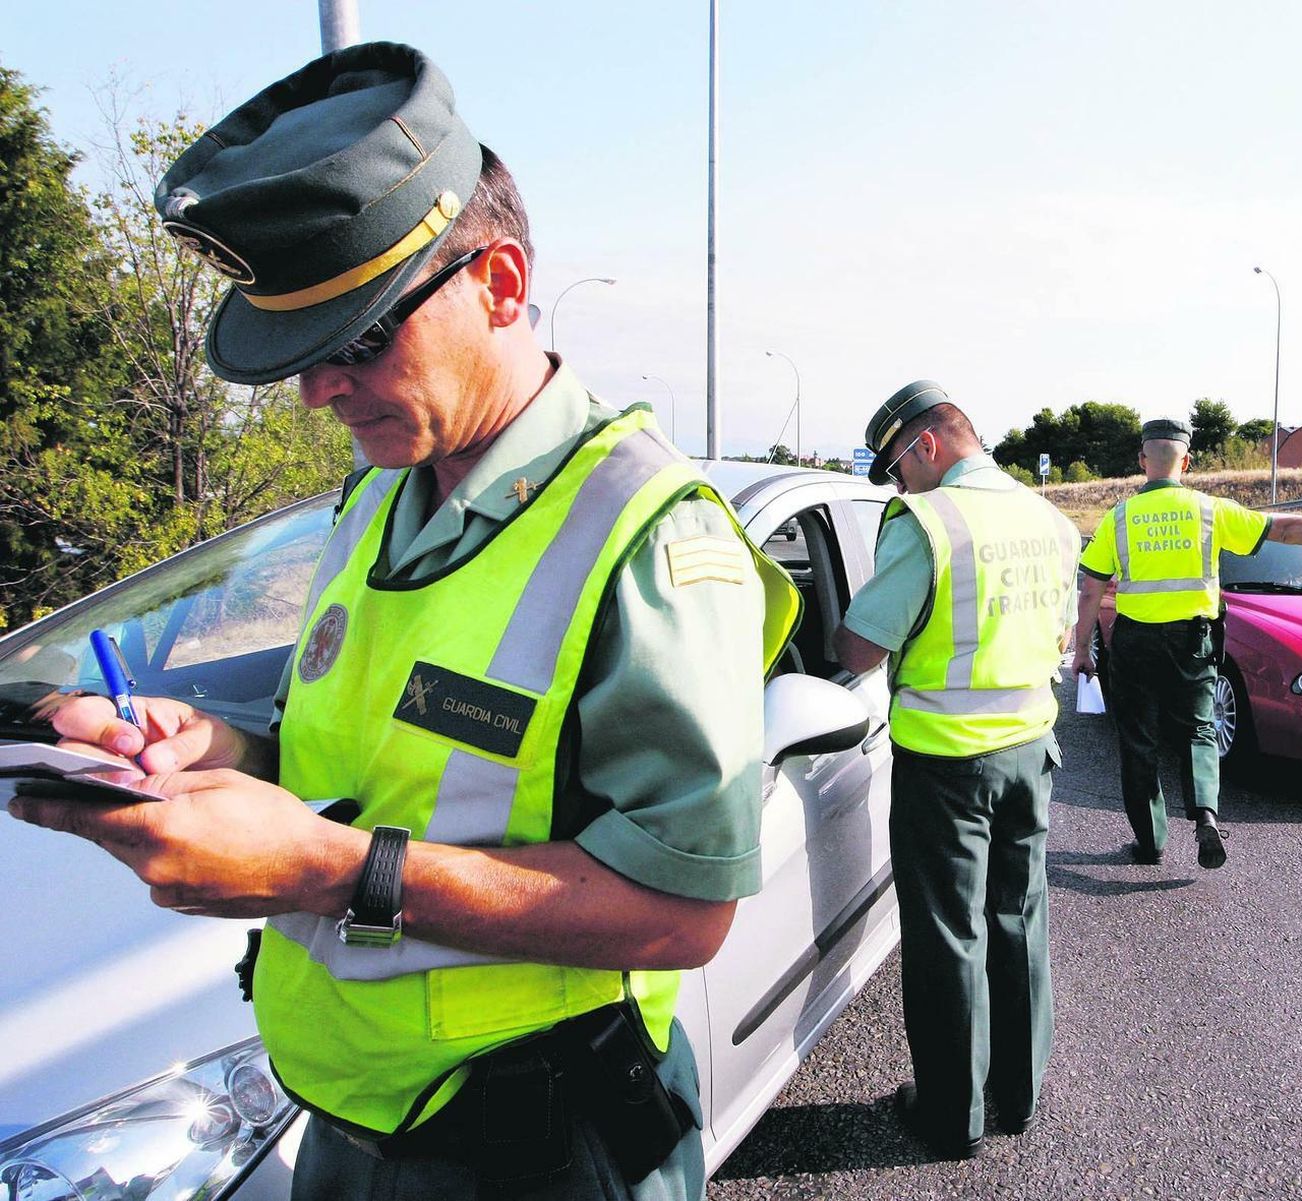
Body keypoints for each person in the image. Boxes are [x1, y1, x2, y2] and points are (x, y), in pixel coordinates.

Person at [7, 42, 798, 1201]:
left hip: (540, 1143)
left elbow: (685, 914)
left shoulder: (651, 540)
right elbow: (356, 747)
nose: (320, 392)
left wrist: (332, 870)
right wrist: (203, 747)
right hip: (344, 1115)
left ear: (502, 285)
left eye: (361, 339)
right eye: (303, 356)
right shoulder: (380, 493)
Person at [832, 381, 1081, 1159]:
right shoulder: (1048, 517)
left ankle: (950, 1113)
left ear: (927, 445)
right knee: (1019, 916)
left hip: (947, 763)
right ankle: (1019, 1093)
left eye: (898, 467)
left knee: (948, 938)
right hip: (1030, 752)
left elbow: (860, 646)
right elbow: (1063, 633)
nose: (900, 484)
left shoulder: (931, 521)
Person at [1070, 418, 1302, 870]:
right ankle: (1205, 815)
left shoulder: (1120, 517)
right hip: (1193, 641)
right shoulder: (1210, 510)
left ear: (1142, 460)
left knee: (1138, 740)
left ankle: (1150, 842)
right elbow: (1287, 529)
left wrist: (1084, 651)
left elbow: (1091, 589)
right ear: (1186, 462)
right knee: (1198, 729)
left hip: (1136, 643)